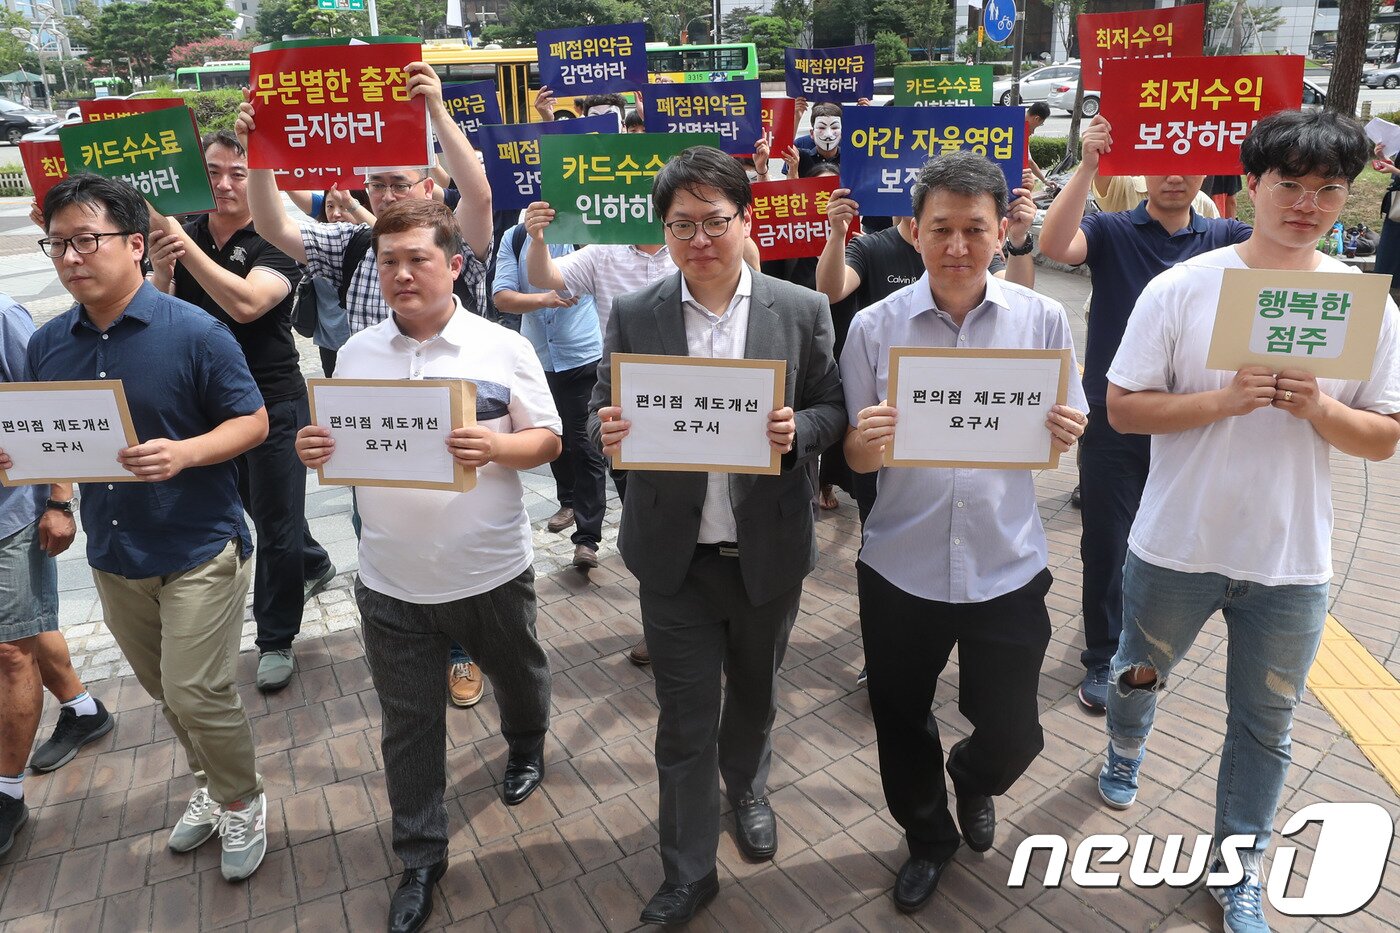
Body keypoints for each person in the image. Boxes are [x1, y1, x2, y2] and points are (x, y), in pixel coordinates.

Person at [1098, 109, 1400, 933]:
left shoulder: (1363, 305)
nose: (1307, 203)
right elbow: (1123, 412)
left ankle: (1239, 868)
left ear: (1348, 197)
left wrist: (1318, 412)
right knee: (1136, 675)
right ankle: (1126, 744)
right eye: (1289, 184)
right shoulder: (1184, 287)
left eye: (1328, 189)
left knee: (1267, 725)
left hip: (1290, 560)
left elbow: (1383, 435)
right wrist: (1223, 400)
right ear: (1252, 186)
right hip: (1176, 544)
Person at [587, 146, 846, 925]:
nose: (698, 239)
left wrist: (796, 428)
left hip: (767, 551)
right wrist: (607, 430)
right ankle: (688, 868)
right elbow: (602, 404)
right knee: (684, 715)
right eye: (681, 225)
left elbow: (834, 406)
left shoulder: (799, 310)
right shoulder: (637, 313)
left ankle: (751, 785)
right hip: (675, 561)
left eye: (714, 221)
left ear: (746, 219)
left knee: (757, 695)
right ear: (663, 231)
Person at [295, 199, 560, 933]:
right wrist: (313, 449)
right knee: (408, 724)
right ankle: (419, 854)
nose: (402, 273)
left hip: (490, 570)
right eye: (388, 261)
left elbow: (547, 440)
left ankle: (527, 741)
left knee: (519, 674)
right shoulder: (356, 354)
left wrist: (496, 447)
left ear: (453, 264)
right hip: (390, 580)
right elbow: (339, 442)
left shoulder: (500, 347)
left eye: (417, 258)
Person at [841, 151, 1087, 914]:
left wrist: (1065, 427)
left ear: (1002, 228)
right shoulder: (874, 327)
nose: (956, 246)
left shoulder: (1040, 318)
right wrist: (866, 440)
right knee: (899, 717)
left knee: (1015, 730)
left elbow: (1062, 428)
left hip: (1005, 562)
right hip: (901, 564)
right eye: (940, 228)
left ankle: (976, 776)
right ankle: (927, 836)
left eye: (973, 228)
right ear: (913, 230)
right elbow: (852, 455)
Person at [9, 173, 271, 881]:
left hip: (198, 543)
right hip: (117, 552)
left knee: (196, 690)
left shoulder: (194, 331)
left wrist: (184, 452)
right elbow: (55, 434)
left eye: (85, 240)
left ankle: (244, 799)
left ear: (133, 243)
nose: (70, 258)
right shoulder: (49, 344)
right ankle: (211, 787)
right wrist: (56, 497)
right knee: (164, 689)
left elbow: (255, 421)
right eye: (57, 244)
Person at [240, 62, 493, 704]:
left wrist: (435, 110)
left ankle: (463, 650)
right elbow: (275, 228)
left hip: (458, 432)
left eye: (397, 183)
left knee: (457, 538)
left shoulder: (458, 242)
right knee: (379, 534)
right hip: (377, 440)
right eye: (375, 185)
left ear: (430, 189)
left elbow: (481, 193)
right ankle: (407, 643)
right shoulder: (355, 247)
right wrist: (261, 152)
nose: (384, 196)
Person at [1039, 114, 1251, 714]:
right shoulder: (1110, 231)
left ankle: (1149, 647)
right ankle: (1104, 656)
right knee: (1105, 540)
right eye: (1162, 161)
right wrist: (1087, 166)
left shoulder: (1223, 237)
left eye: (1188, 162)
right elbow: (1056, 246)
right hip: (1113, 415)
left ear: (1207, 168)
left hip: (1193, 418)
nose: (1175, 174)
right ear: (1142, 169)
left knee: (1171, 539)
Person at [148, 129, 337, 692]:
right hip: (207, 405)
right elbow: (161, 314)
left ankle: (275, 637)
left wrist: (184, 245)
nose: (226, 184)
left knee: (273, 524)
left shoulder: (277, 239)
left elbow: (250, 304)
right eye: (213, 172)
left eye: (238, 172)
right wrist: (161, 272)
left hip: (272, 400)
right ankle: (315, 559)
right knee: (260, 509)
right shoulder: (186, 234)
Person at [0, 296, 113, 857]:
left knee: (10, 650)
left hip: (9, 515)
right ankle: (83, 709)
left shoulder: (2, 316)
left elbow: (47, 409)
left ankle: (7, 793)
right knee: (22, 624)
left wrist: (59, 499)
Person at [493, 223, 607, 570]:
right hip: (538, 359)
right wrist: (544, 299)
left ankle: (587, 537)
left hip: (583, 354)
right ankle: (568, 500)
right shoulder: (515, 237)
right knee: (552, 435)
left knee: (584, 443)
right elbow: (502, 297)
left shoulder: (587, 229)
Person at [1025, 101, 1052, 188]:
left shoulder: (1013, 119)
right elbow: (1029, 162)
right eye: (1040, 124)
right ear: (1036, 118)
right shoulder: (1022, 130)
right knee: (1029, 182)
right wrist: (1044, 180)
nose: (1033, 132)